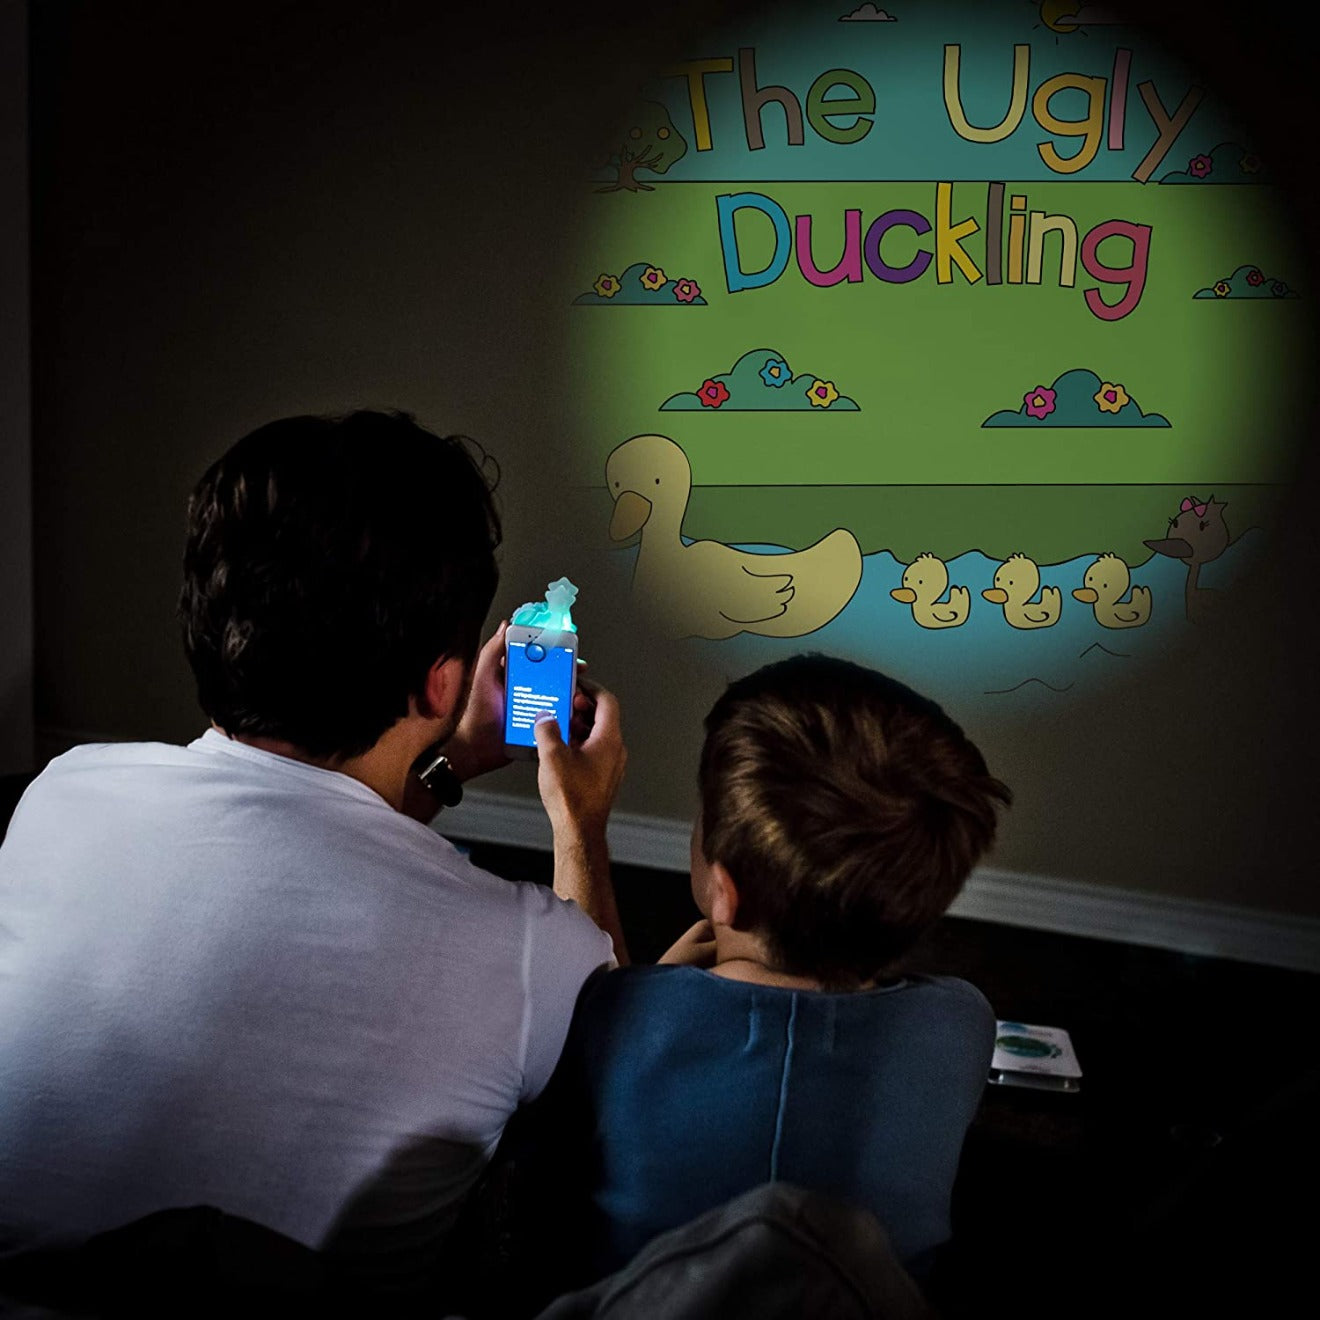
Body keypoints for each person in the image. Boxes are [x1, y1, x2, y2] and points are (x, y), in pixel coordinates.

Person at [0, 410, 627, 1299]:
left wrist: (451, 759)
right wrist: (579, 822)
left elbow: (304, 830)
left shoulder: (61, 795)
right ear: (442, 682)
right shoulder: (528, 949)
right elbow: (629, 1084)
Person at [516, 654, 1012, 1306]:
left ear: (724, 891)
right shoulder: (961, 1023)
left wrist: (581, 826)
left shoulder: (617, 1015)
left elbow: (600, 1018)